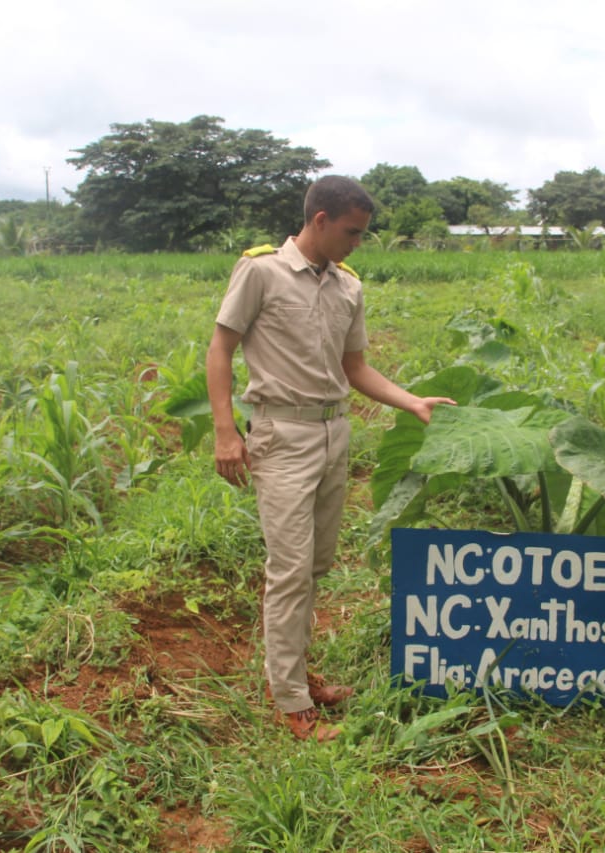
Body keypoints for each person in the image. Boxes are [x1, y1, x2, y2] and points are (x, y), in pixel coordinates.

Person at [206, 175, 455, 741]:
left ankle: (293, 671)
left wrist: (410, 399)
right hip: (281, 434)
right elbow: (220, 347)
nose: (357, 243)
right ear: (320, 221)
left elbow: (356, 368)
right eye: (351, 232)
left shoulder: (347, 287)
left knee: (314, 566)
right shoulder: (261, 271)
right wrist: (225, 431)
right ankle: (291, 699)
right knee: (290, 569)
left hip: (333, 434)